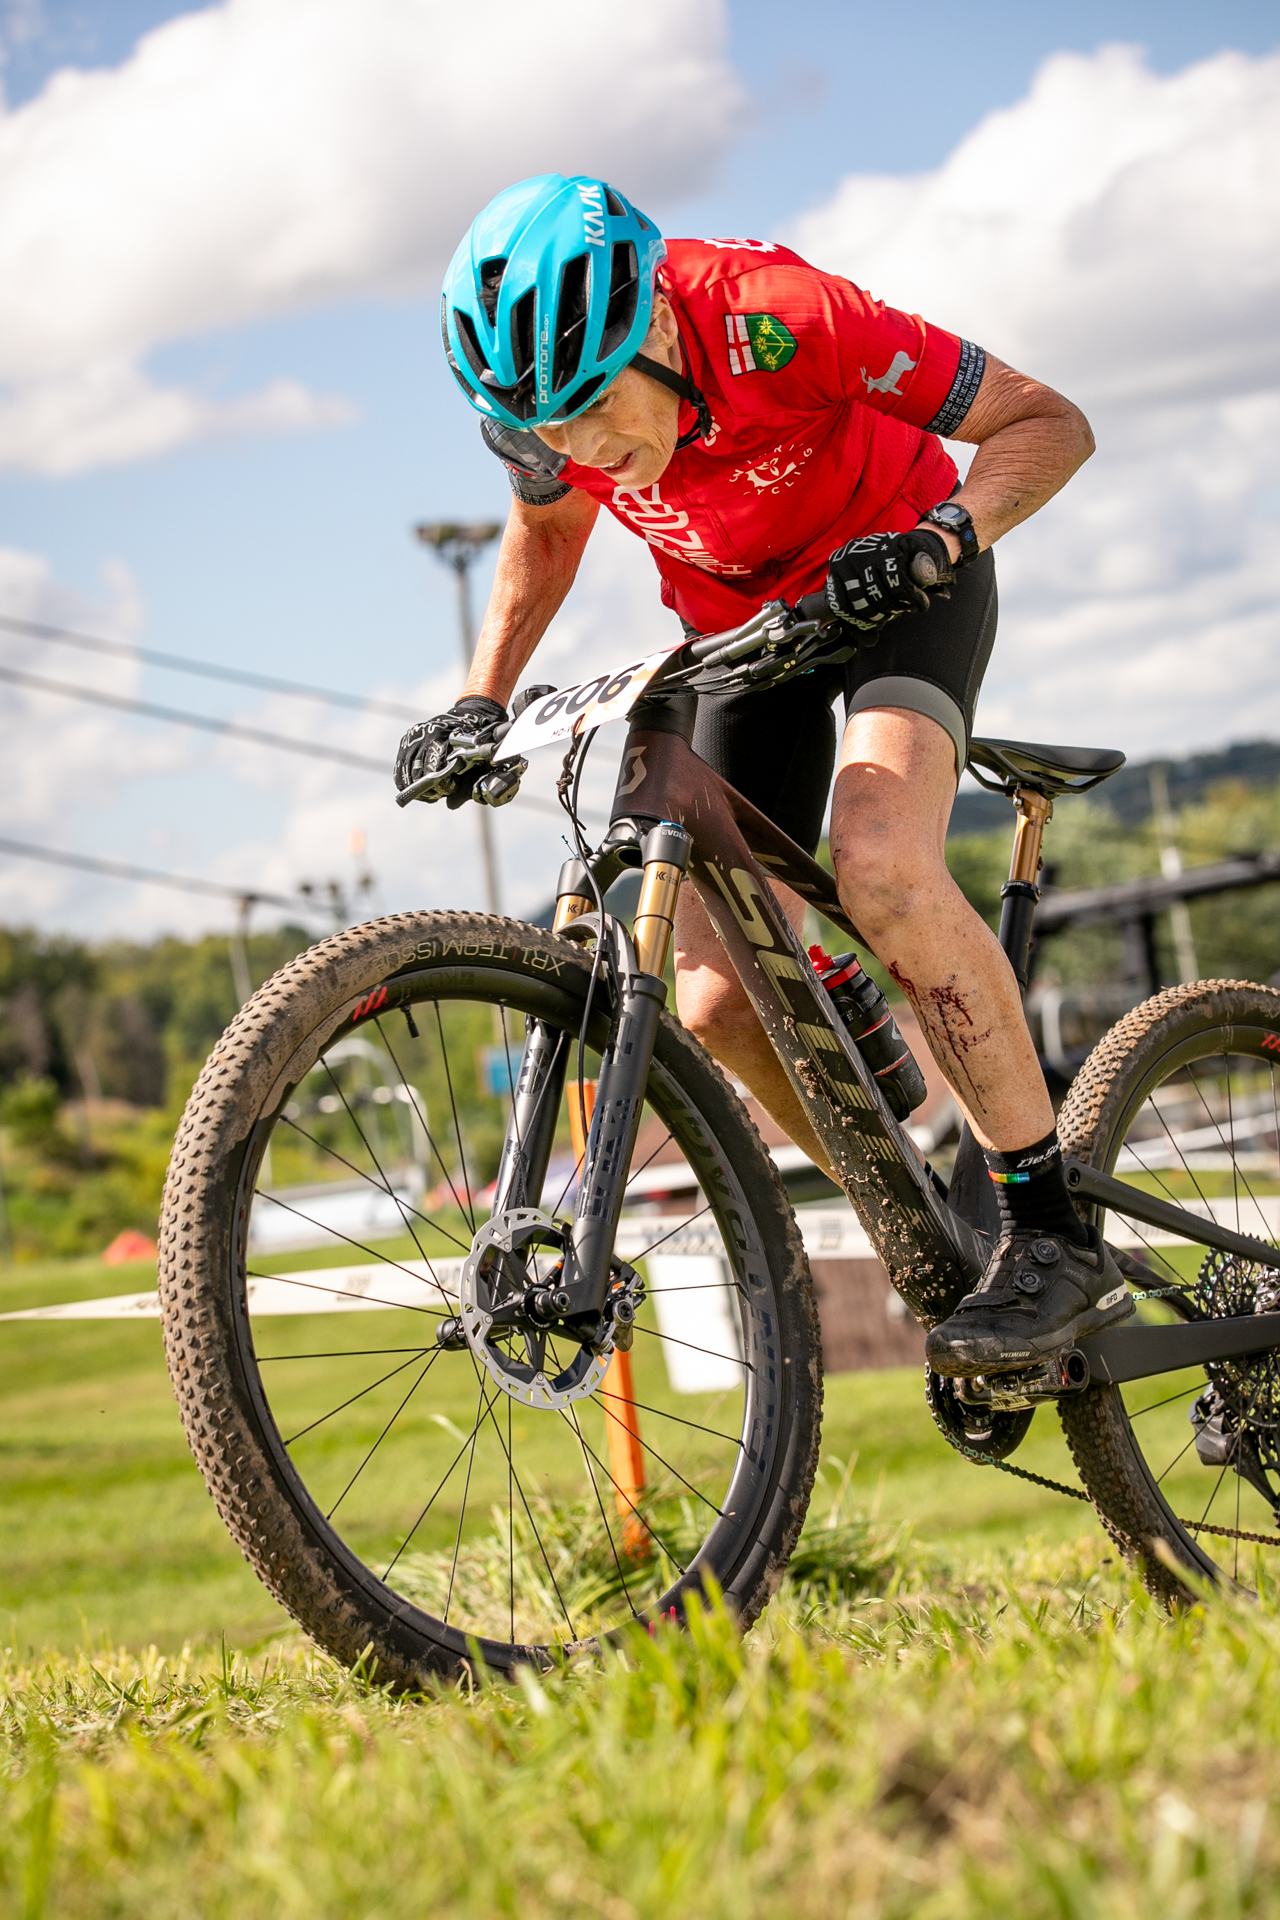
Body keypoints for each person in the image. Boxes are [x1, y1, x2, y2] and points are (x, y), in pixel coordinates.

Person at [395, 172, 1133, 1376]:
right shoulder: (548, 429)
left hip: (898, 576)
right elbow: (542, 534)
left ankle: (1052, 1233)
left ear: (652, 328)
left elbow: (1048, 424)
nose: (584, 454)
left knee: (880, 864)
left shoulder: (780, 318)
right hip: (745, 632)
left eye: (594, 409)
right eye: (545, 431)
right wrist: (479, 700)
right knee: (712, 1000)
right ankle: (922, 1230)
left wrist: (942, 535)